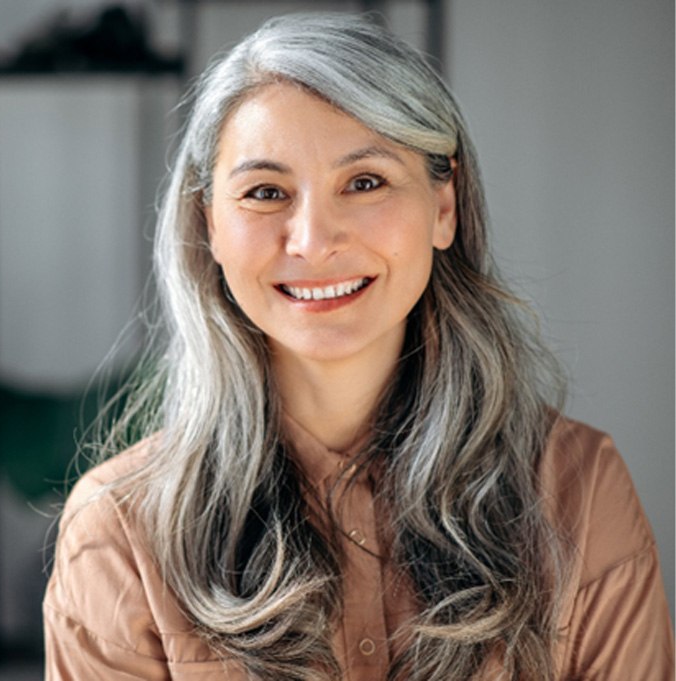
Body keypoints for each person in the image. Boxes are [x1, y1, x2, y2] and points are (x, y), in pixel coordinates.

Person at [43, 13, 674, 681]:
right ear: (210, 227)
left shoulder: (578, 486)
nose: (313, 239)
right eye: (265, 192)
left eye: (365, 181)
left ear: (443, 205)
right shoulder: (118, 531)